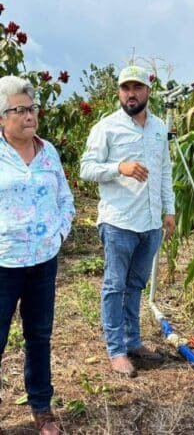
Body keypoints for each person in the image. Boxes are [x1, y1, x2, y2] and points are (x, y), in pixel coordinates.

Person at [80, 65, 175, 378]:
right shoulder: (106, 127)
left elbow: (164, 171)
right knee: (114, 285)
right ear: (119, 92)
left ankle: (133, 341)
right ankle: (116, 350)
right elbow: (86, 169)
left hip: (149, 223)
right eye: (125, 88)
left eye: (137, 88)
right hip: (119, 221)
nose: (130, 94)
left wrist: (169, 209)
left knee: (136, 284)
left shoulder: (159, 128)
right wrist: (119, 167)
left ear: (148, 91)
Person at [0, 75, 74, 435]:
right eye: (21, 109)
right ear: (2, 117)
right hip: (4, 262)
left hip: (43, 261)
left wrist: (59, 232)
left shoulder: (49, 153)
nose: (30, 115)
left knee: (39, 335)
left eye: (33, 108)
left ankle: (42, 407)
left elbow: (65, 198)